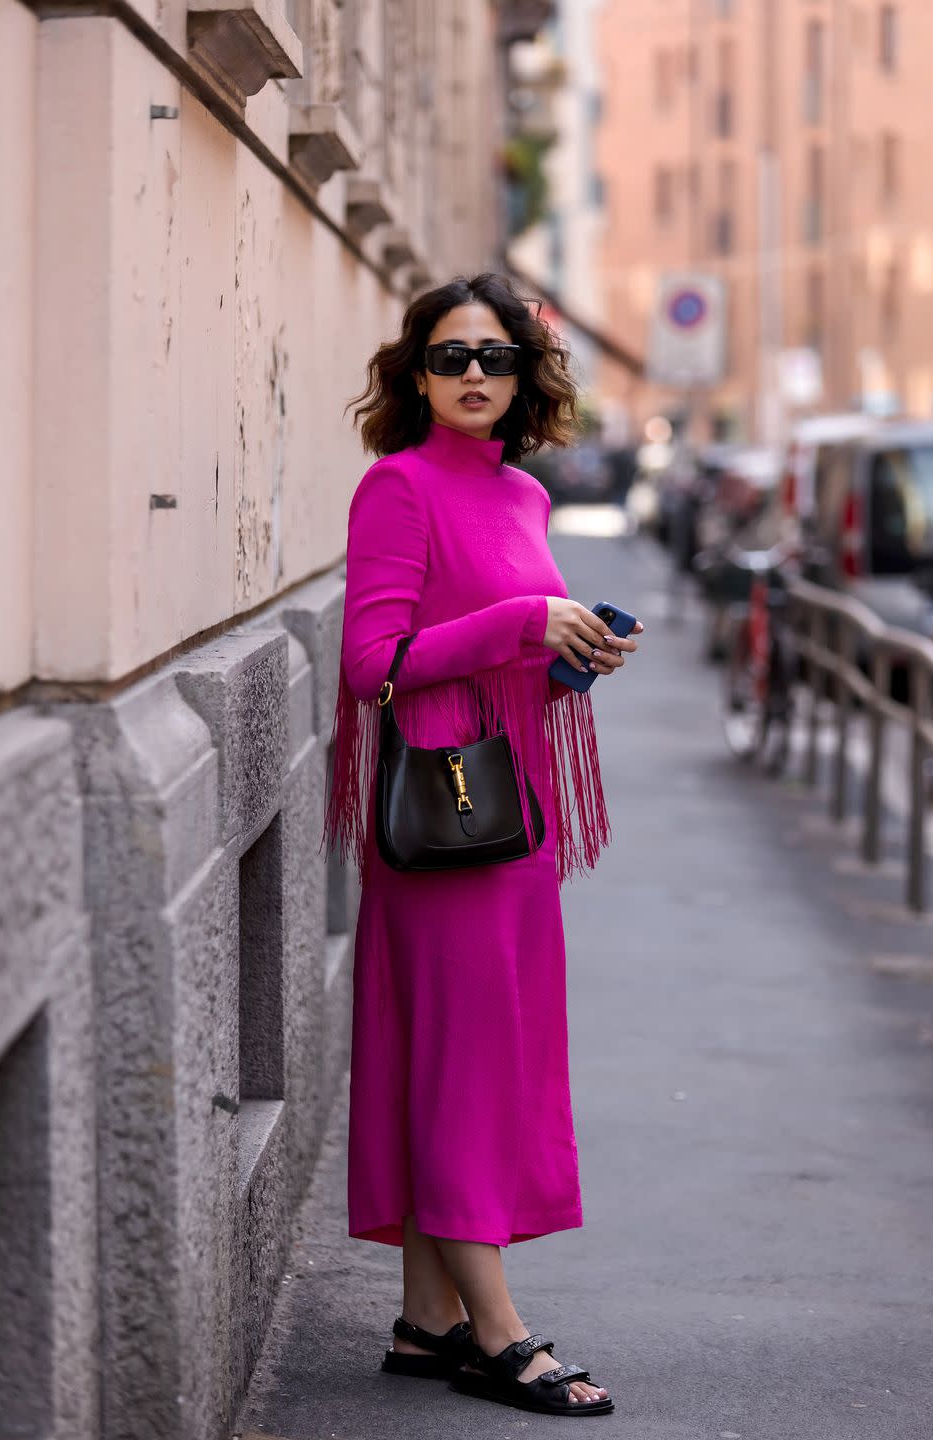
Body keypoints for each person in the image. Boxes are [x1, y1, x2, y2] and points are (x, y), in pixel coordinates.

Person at [323, 273, 642, 1418]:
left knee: (479, 1059)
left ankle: (428, 1323)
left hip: (513, 812)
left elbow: (508, 652)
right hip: (442, 823)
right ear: (417, 375)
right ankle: (499, 1333)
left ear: (523, 378)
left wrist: (573, 654)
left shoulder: (522, 498)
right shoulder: (397, 489)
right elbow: (375, 664)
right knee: (461, 1067)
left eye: (495, 357)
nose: (473, 374)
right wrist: (519, 621)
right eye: (452, 355)